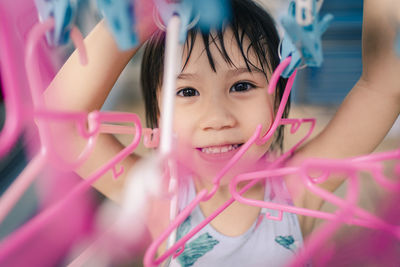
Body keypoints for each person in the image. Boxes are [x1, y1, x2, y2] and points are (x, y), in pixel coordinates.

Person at [44, 0, 400, 266]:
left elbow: (383, 88)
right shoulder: (160, 198)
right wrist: (139, 15)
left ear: (279, 99)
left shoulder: (297, 191)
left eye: (242, 85)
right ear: (157, 119)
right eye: (187, 92)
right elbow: (59, 122)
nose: (216, 117)